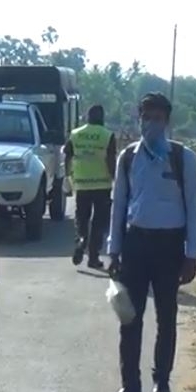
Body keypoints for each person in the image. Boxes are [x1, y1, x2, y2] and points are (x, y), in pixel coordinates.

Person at [98, 92, 196, 392]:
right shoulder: (128, 157)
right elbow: (118, 206)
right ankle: (129, 389)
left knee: (166, 317)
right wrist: (113, 250)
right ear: (138, 119)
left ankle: (162, 382)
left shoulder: (184, 158)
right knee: (129, 319)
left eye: (157, 118)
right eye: (146, 117)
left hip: (170, 248)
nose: (151, 123)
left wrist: (191, 254)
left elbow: (194, 209)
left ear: (167, 122)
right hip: (135, 246)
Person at [64, 105, 116, 269]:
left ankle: (81, 239)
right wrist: (115, 178)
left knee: (81, 217)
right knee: (99, 222)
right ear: (102, 118)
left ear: (87, 117)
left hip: (82, 184)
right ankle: (93, 257)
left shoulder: (76, 134)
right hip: (102, 184)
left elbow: (67, 156)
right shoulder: (107, 135)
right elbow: (111, 160)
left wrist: (67, 176)